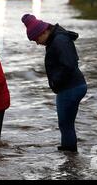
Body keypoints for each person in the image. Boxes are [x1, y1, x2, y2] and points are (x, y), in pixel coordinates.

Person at [21, 14, 87, 152]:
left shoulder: (59, 40)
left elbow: (69, 64)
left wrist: (56, 82)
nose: (37, 43)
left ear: (44, 31)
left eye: (36, 39)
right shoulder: (56, 39)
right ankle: (70, 157)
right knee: (67, 124)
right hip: (73, 86)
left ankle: (69, 156)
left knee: (65, 124)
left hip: (70, 87)